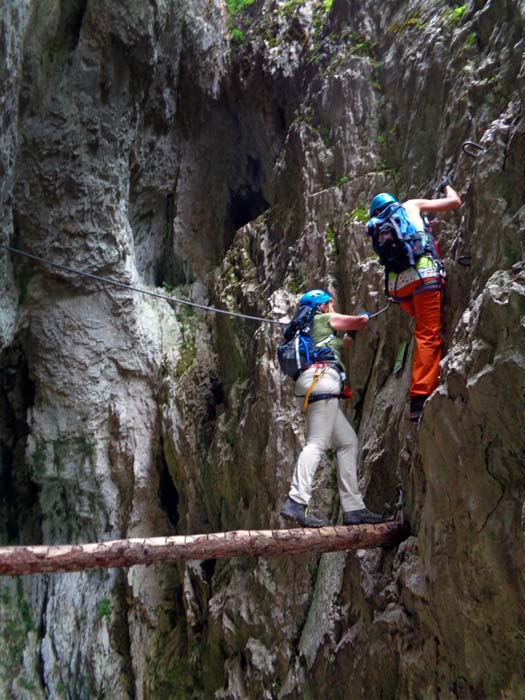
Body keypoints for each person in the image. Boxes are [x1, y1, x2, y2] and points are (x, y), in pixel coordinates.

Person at [280, 289, 384, 528]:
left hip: (316, 383)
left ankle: (353, 508)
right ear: (321, 306)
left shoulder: (317, 330)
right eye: (330, 303)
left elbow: (343, 344)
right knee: (316, 443)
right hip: (322, 381)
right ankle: (296, 501)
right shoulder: (323, 319)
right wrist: (364, 318)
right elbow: (358, 322)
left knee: (347, 441)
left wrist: (351, 333)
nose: (333, 307)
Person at [368, 182, 462, 421]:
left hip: (398, 289)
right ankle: (419, 398)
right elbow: (454, 202)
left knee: (420, 322)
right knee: (427, 334)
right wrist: (447, 186)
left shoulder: (378, 227)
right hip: (423, 278)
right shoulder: (411, 205)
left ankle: (420, 382)